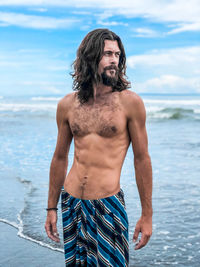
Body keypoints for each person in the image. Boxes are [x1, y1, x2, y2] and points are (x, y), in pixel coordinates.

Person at [45, 28, 153, 266]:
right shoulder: (67, 105)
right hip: (71, 202)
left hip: (108, 205)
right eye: (107, 54)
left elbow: (142, 159)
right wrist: (51, 207)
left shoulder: (129, 103)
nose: (114, 60)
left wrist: (147, 215)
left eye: (117, 54)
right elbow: (60, 157)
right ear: (90, 57)